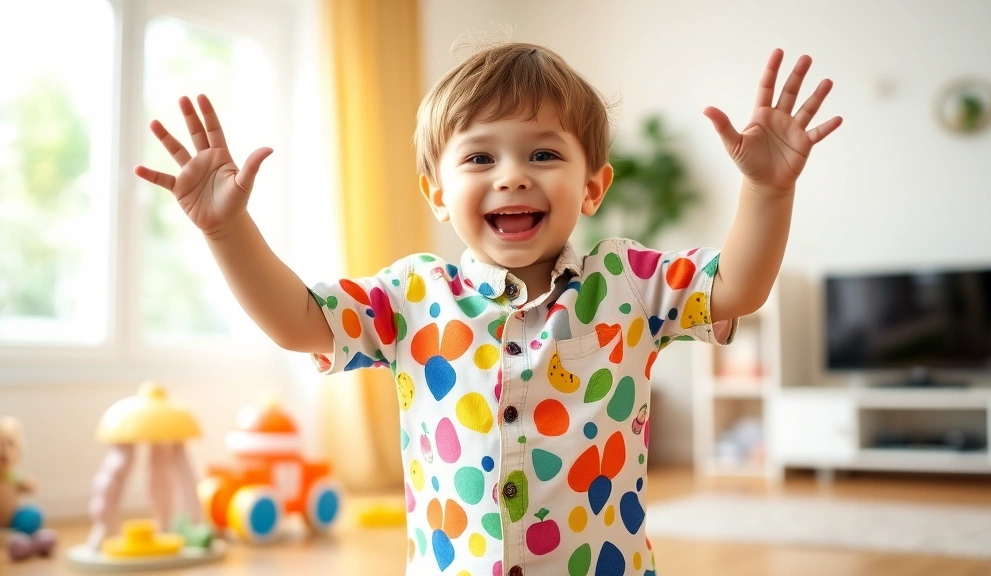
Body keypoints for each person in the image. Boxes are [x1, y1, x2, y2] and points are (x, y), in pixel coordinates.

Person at [135, 42, 840, 576]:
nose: (512, 175)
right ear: (436, 192)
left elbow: (738, 289)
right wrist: (228, 233)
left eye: (542, 153)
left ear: (592, 187)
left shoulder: (629, 280)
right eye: (478, 159)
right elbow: (298, 323)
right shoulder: (411, 296)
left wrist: (769, 194)